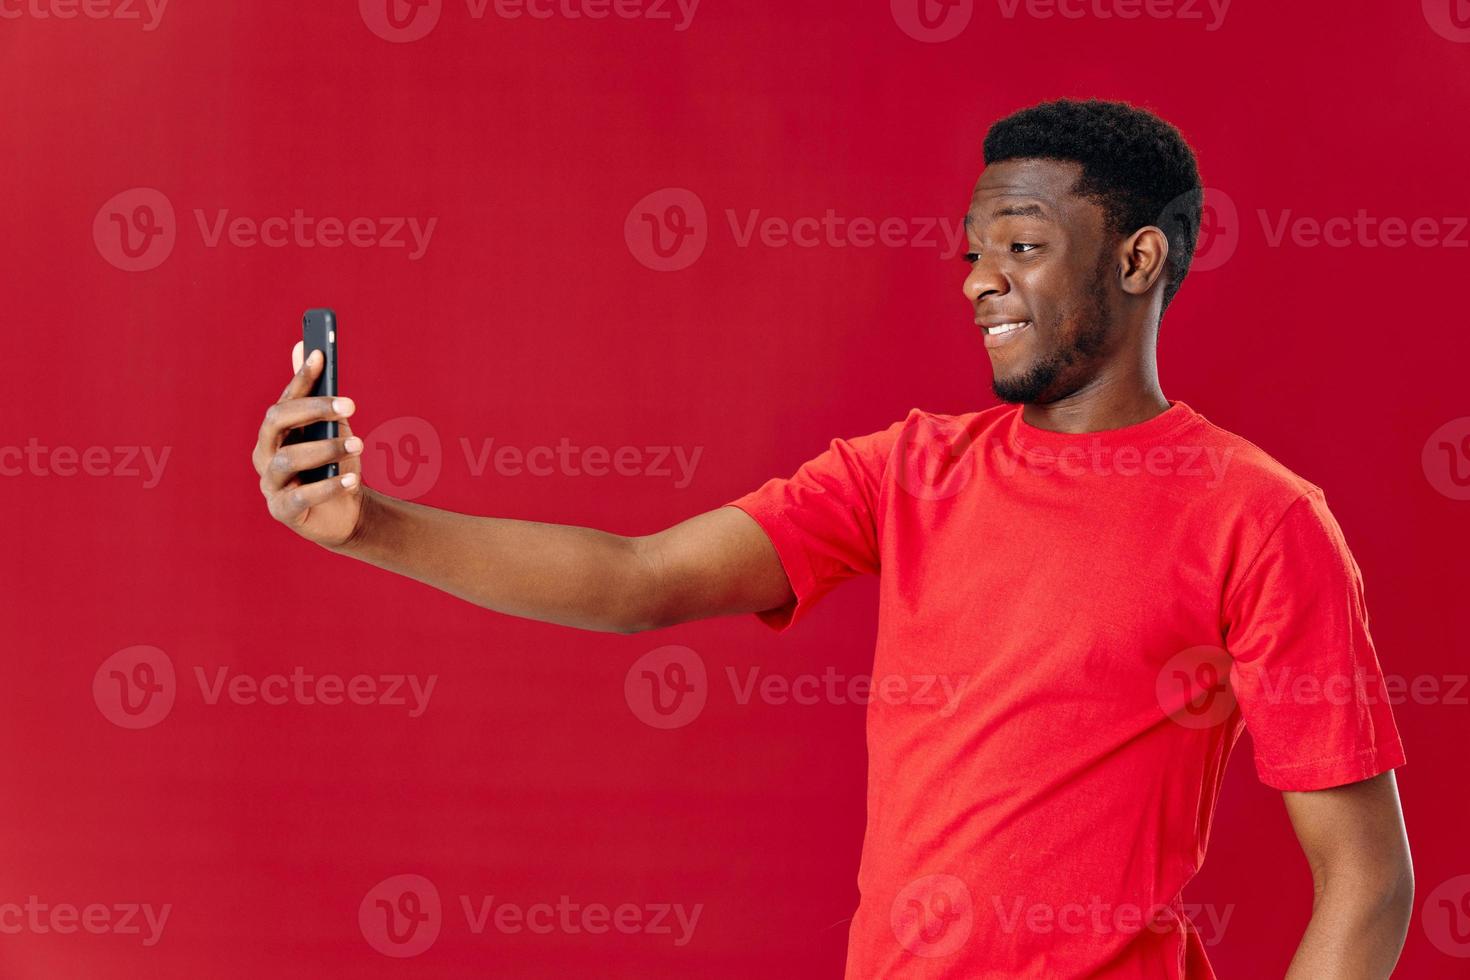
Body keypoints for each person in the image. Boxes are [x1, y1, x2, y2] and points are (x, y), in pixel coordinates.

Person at [251, 98, 1412, 978]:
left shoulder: (1258, 515)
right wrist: (371, 526)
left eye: (1019, 245)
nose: (977, 282)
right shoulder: (905, 470)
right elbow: (641, 577)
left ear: (1138, 258)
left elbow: (1366, 878)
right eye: (972, 250)